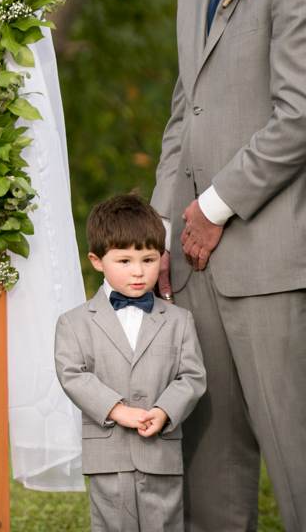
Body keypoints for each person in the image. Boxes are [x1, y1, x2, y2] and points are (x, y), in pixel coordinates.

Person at [151, 0, 306, 531]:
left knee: (295, 450)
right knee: (209, 458)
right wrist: (158, 231)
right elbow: (186, 115)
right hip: (191, 263)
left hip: (271, 258)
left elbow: (298, 114)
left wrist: (213, 207)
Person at [54, 194, 206, 532]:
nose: (138, 272)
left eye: (149, 259)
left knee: (164, 524)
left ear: (161, 259)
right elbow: (72, 375)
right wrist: (116, 409)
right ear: (97, 260)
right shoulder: (74, 322)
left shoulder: (180, 320)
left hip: (161, 453)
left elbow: (192, 376)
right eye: (124, 261)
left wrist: (165, 410)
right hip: (108, 454)